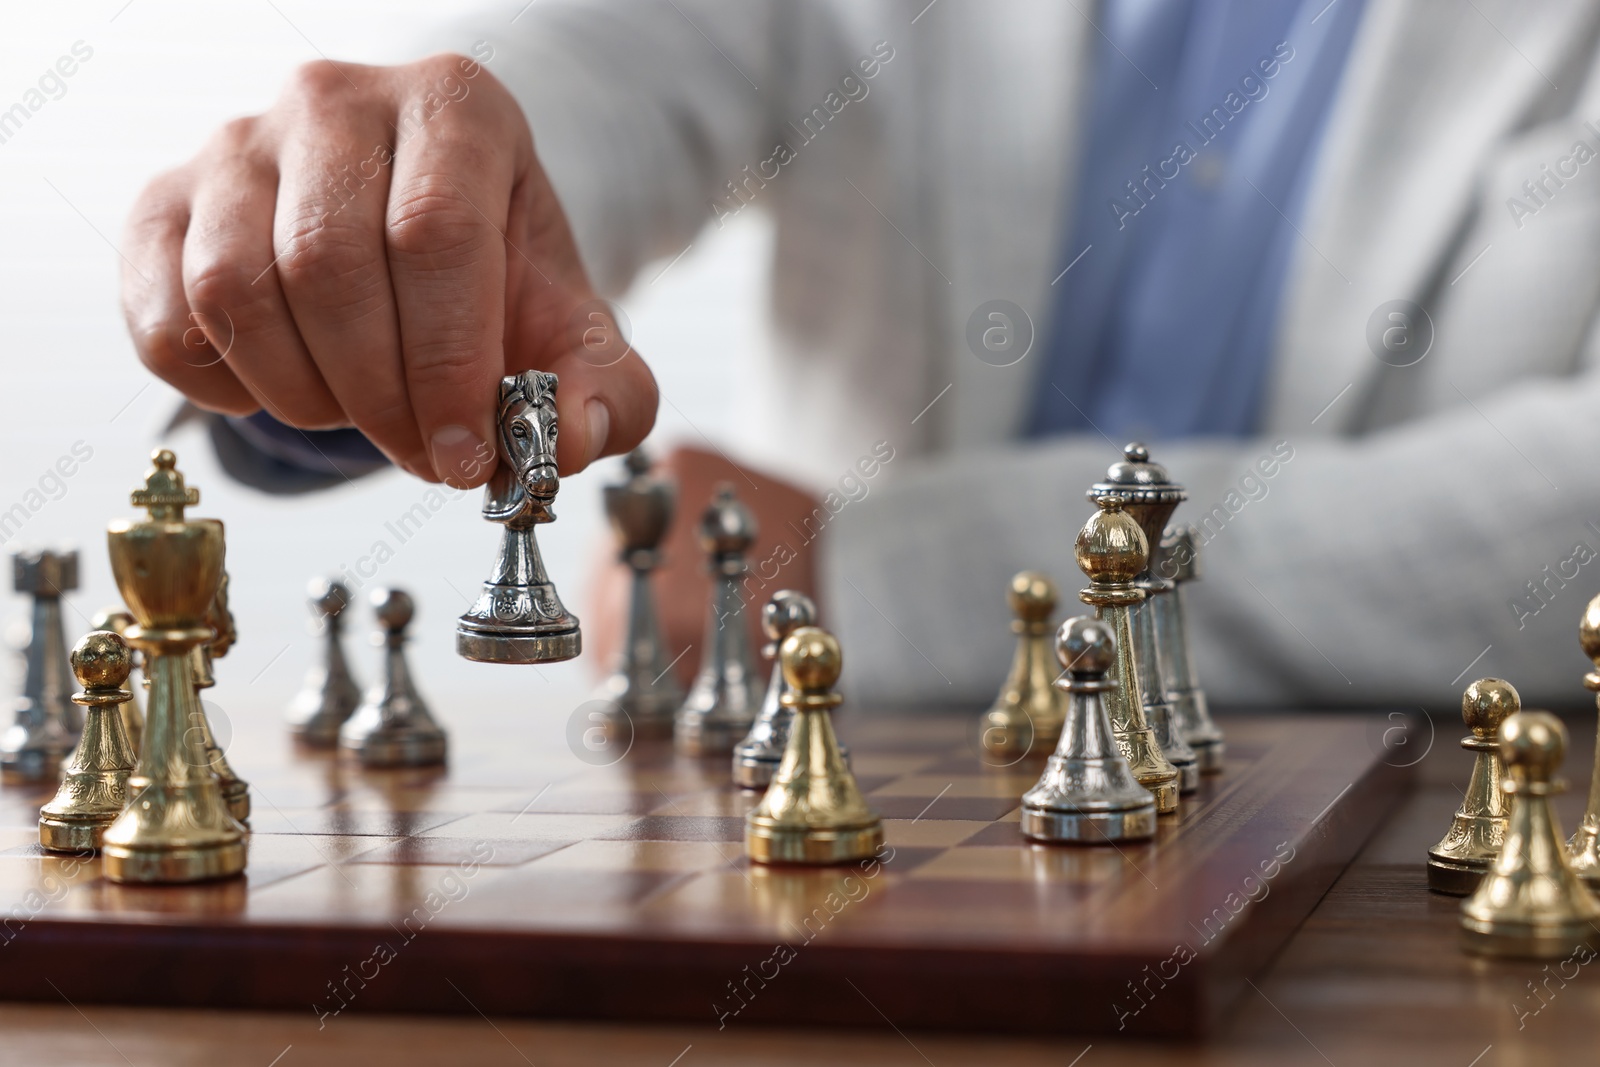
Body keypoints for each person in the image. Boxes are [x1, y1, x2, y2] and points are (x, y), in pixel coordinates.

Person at [120, 0, 1600, 710]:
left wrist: (856, 572)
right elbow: (596, 79)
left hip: (1398, 890)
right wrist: (411, 217)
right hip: (840, 858)